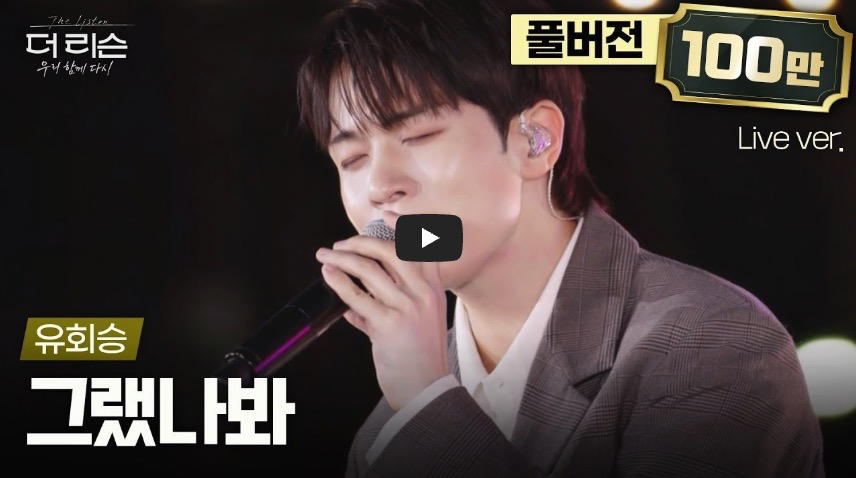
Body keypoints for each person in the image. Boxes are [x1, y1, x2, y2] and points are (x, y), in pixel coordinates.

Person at [296, 0, 825, 476]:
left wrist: (426, 405)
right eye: (352, 158)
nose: (380, 186)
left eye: (418, 136)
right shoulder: (384, 435)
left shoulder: (708, 344)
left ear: (536, 141)